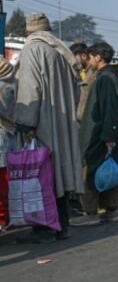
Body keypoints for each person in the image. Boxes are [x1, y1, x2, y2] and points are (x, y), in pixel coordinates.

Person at [14, 13, 83, 242]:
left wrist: (27, 124)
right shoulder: (61, 51)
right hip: (63, 121)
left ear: (28, 31)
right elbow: (76, 93)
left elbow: (29, 89)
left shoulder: (32, 49)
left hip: (44, 121)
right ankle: (63, 225)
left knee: (42, 174)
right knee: (58, 173)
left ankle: (45, 228)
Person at [71, 43, 118, 226]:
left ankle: (90, 212)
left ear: (98, 57)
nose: (88, 61)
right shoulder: (108, 77)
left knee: (89, 171)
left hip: (98, 135)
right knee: (106, 171)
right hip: (103, 134)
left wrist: (108, 136)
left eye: (90, 57)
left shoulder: (105, 79)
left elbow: (109, 110)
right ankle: (109, 211)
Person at [0, 58, 17, 231]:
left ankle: (3, 219)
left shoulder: (4, 87)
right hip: (8, 139)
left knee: (3, 184)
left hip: (2, 140)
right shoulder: (12, 84)